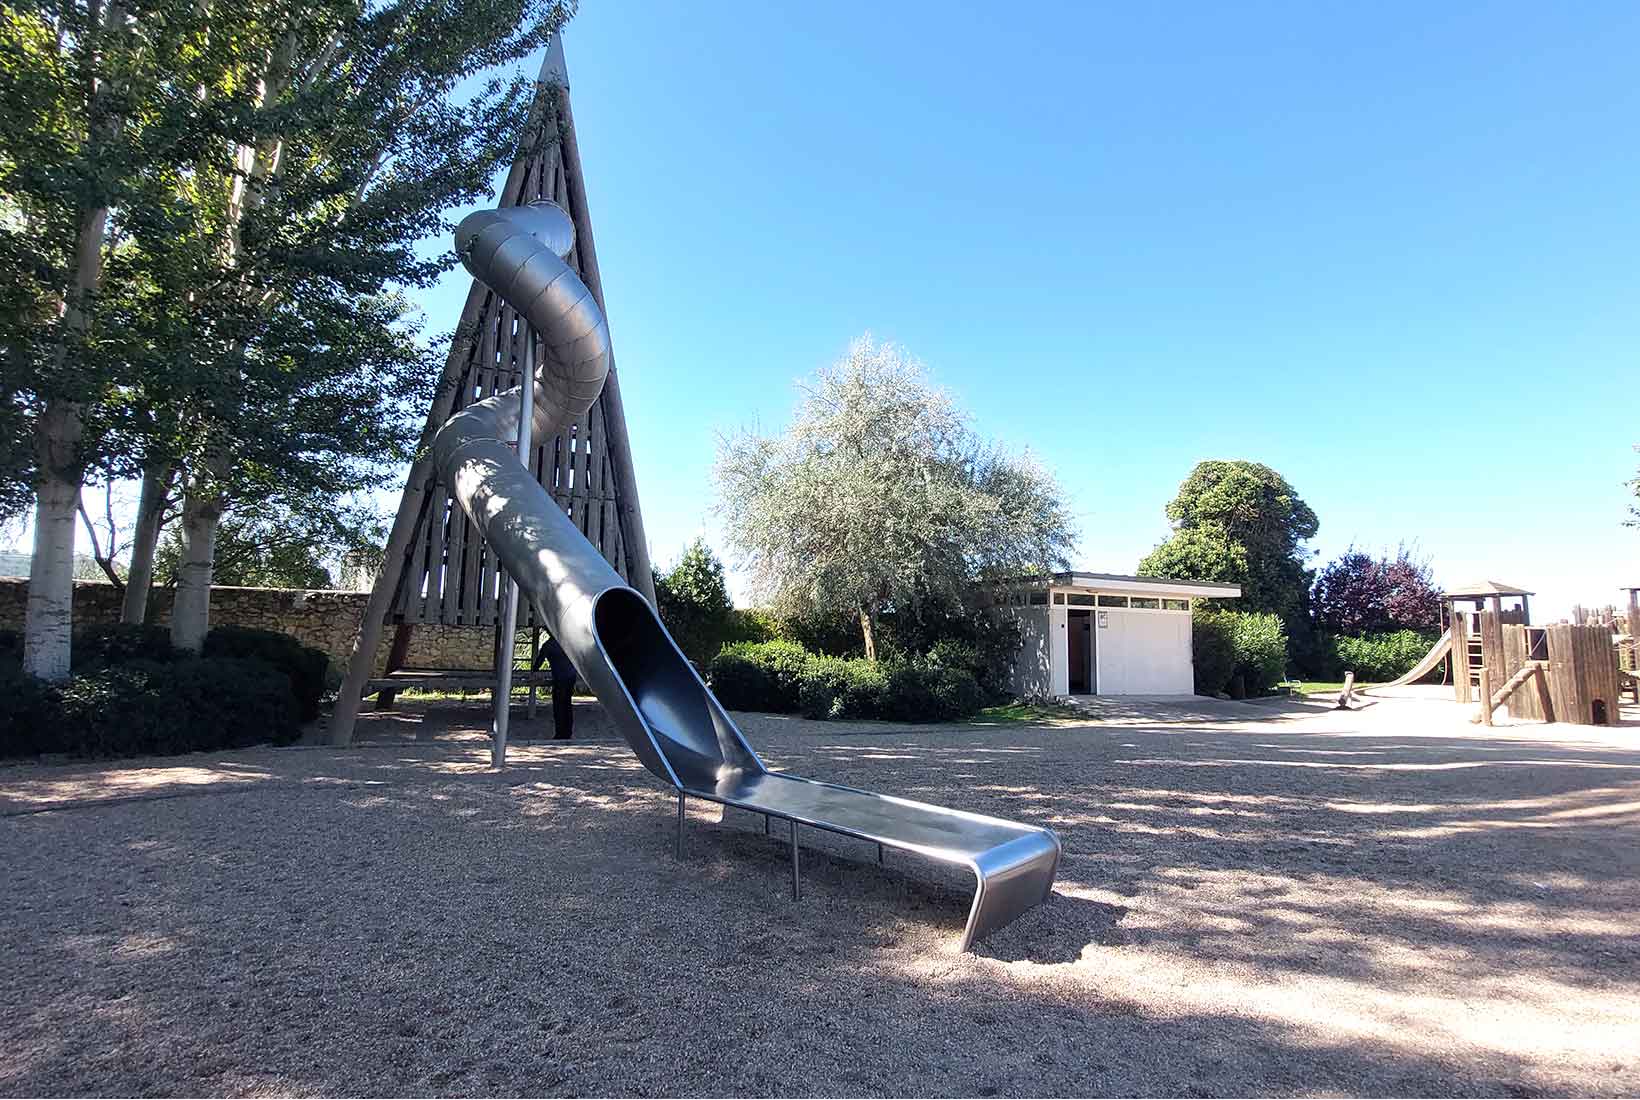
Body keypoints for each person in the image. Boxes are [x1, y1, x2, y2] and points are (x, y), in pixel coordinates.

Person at [540, 637, 578, 740]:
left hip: (560, 678)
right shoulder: (568, 642)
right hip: (570, 676)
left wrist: (533, 672)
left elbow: (539, 662)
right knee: (567, 705)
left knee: (558, 707)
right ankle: (568, 732)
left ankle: (560, 733)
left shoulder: (548, 645)